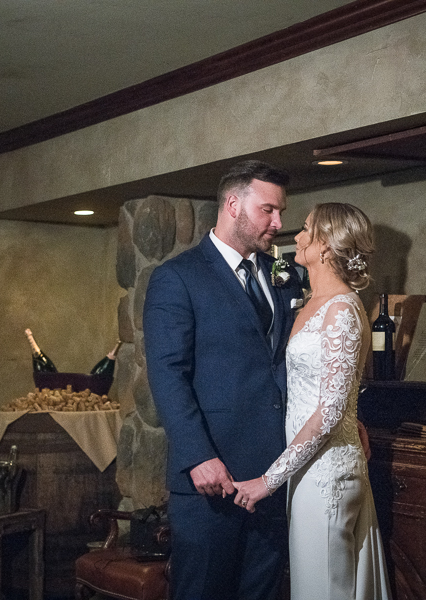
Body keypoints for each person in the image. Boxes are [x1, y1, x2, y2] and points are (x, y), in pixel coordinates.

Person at [143, 160, 301, 600]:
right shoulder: (177, 278)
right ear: (233, 204)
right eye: (268, 210)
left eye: (280, 211)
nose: (278, 222)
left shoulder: (283, 277)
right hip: (211, 479)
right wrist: (197, 457)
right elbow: (167, 374)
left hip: (272, 476)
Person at [232, 203, 392, 600]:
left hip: (328, 476)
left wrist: (266, 482)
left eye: (305, 229)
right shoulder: (309, 302)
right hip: (308, 469)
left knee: (325, 590)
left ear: (324, 245)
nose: (296, 237)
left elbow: (330, 410)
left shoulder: (343, 309)